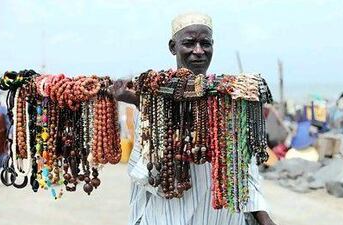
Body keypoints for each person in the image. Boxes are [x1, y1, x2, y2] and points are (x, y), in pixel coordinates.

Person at [111, 12, 276, 225]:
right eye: (189, 43)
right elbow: (146, 173)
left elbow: (245, 170)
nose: (198, 51)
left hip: (222, 217)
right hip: (168, 217)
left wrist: (264, 217)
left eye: (205, 43)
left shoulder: (229, 98)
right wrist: (140, 103)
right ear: (173, 47)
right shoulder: (152, 97)